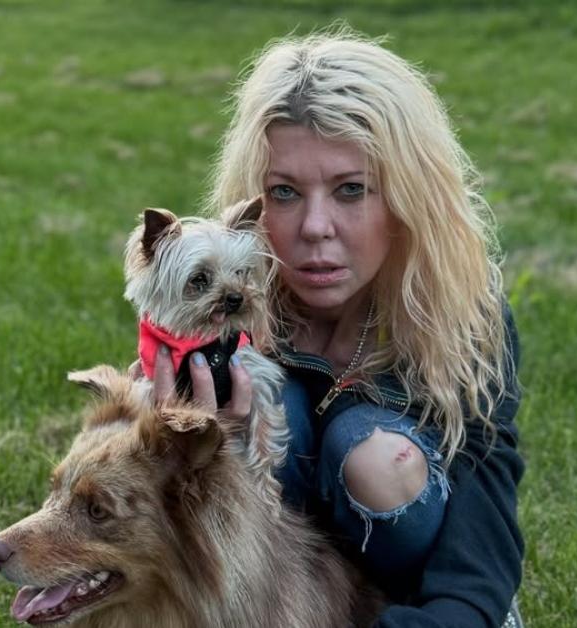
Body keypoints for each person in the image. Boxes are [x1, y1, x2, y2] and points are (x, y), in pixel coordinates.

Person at [149, 29, 524, 628]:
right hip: (272, 588)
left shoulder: (459, 312)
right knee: (279, 418)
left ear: (407, 197)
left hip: (408, 592)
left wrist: (457, 616)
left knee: (375, 456)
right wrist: (186, 445)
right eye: (285, 193)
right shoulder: (213, 308)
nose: (315, 227)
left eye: (352, 190)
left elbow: (487, 485)